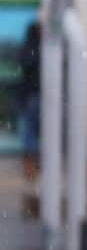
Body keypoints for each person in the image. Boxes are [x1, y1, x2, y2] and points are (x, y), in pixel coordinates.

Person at [15, 18, 38, 162]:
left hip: (32, 93)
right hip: (34, 93)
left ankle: (31, 159)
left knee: (30, 128)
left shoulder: (29, 47)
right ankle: (31, 159)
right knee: (31, 128)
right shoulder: (35, 48)